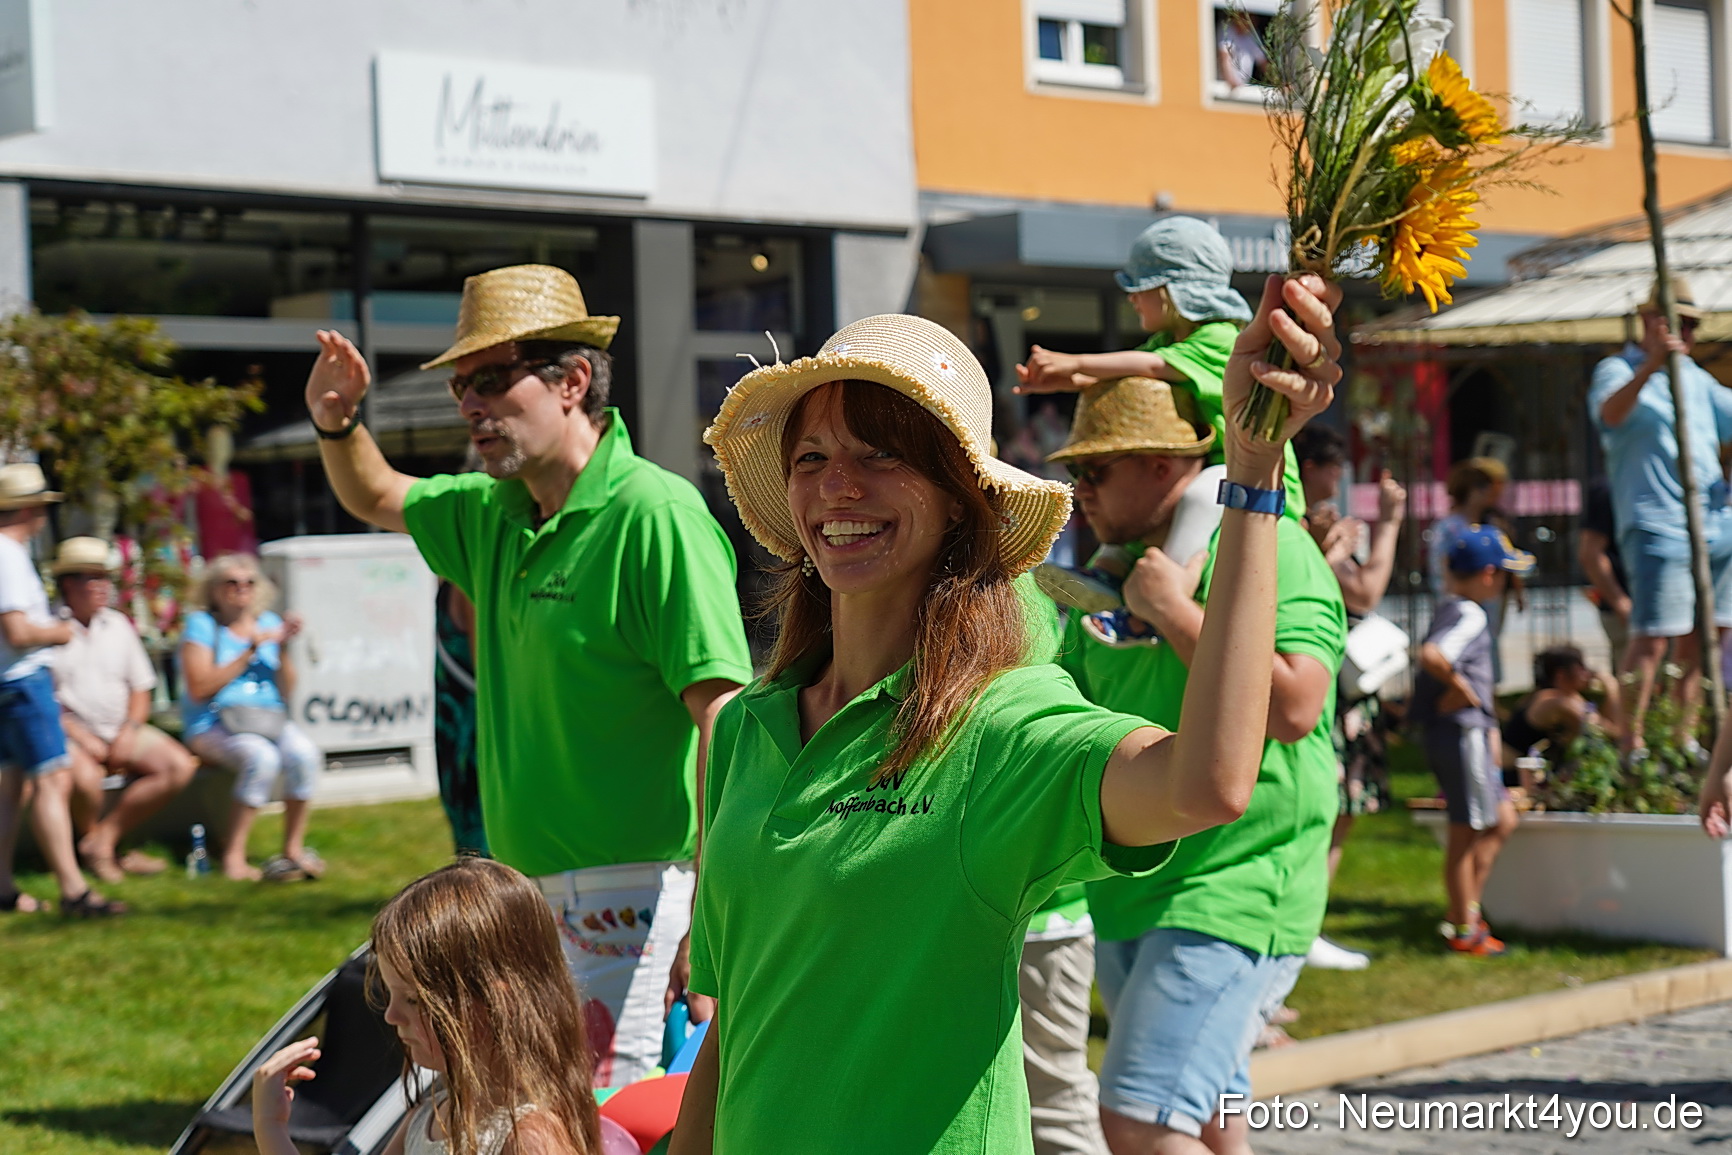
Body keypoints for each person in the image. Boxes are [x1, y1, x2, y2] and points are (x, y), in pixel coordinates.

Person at [671, 274, 1343, 1154]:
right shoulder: (745, 728)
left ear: (960, 496)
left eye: (881, 455)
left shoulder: (998, 724)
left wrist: (1253, 480)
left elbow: (1207, 782)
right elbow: (735, 1029)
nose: (838, 486)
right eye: (812, 458)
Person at [303, 264, 751, 1088]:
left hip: (640, 894)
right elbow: (375, 494)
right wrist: (338, 423)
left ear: (573, 380)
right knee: (525, 1114)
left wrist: (715, 910)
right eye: (460, 386)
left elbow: (725, 716)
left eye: (490, 379)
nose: (470, 403)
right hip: (517, 892)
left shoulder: (655, 515)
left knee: (602, 1122)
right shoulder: (492, 510)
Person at [1052, 364, 1345, 1148]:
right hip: (1132, 889)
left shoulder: (1267, 542)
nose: (1079, 489)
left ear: (1160, 465)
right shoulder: (1109, 570)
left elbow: (1293, 706)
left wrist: (1178, 611)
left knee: (1140, 1115)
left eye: (1093, 469)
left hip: (1235, 884)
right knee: (1209, 1121)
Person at [251, 857, 601, 1155]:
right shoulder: (432, 1116)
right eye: (391, 995)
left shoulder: (529, 1139)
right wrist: (272, 1128)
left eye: (415, 999)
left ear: (499, 1001)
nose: (391, 1016)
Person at [1015, 215, 1305, 522]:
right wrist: (1063, 380)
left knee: (1197, 498)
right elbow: (1128, 372)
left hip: (1261, 481)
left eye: (1142, 286)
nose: (1132, 298)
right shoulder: (1168, 340)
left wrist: (1075, 361)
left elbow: (1152, 366)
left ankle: (1178, 571)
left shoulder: (1220, 336)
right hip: (1219, 470)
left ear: (1171, 291)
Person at [1589, 277, 1732, 753]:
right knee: (1652, 639)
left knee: (1703, 640)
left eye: (1693, 325)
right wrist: (1652, 365)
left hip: (1715, 523)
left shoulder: (1696, 376)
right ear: (1651, 321)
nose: (1687, 335)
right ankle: (1631, 746)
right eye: (1680, 323)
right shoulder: (1615, 368)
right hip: (1657, 524)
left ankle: (1682, 741)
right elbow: (1610, 415)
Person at [1294, 427, 1407, 973]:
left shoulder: (1312, 521)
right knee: (1329, 808)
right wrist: (1388, 527)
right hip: (1325, 686)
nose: (1335, 482)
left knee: (1341, 811)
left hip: (1338, 681)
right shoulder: (1298, 521)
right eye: (1329, 469)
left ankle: (1306, 923)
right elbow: (1363, 591)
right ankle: (1302, 926)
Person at [0, 464, 125, 916]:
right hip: (23, 681)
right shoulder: (9, 556)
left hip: (5, 683)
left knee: (10, 786)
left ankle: (3, 886)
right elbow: (16, 630)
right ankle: (74, 890)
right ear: (31, 510)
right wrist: (57, 632)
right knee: (51, 780)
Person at [1412, 525, 1535, 957]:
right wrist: (1462, 689)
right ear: (1487, 574)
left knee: (1501, 818)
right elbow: (1432, 654)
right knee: (1467, 830)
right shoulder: (1470, 613)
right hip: (1462, 734)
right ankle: (1464, 926)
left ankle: (1466, 910)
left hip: (1471, 734)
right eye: (1502, 575)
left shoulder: (1454, 607)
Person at [51, 536, 197, 883]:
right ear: (70, 583)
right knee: (85, 779)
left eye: (107, 579)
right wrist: (82, 737)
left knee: (178, 766)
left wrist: (129, 730)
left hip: (120, 725)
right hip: (70, 731)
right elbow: (45, 697)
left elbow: (141, 687)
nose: (105, 587)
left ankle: (103, 841)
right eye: (95, 578)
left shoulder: (117, 624)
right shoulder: (49, 628)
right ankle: (100, 851)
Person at [178, 553, 321, 883]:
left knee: (304, 755)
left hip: (265, 719)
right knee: (262, 758)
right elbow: (199, 687)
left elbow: (287, 689)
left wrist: (282, 647)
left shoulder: (268, 623)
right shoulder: (202, 626)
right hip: (213, 724)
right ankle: (234, 857)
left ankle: (293, 850)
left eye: (249, 583)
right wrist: (249, 652)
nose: (241, 589)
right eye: (231, 583)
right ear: (213, 590)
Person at [1500, 645, 1623, 767]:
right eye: (1581, 667)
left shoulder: (1541, 695)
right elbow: (1612, 732)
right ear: (1561, 674)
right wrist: (1612, 688)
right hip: (1516, 775)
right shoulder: (1556, 702)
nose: (1588, 672)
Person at [433, 579, 487, 857]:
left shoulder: (463, 581)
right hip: (468, 733)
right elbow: (488, 676)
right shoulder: (465, 583)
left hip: (464, 732)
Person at [1578, 478, 1630, 670]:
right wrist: (1621, 603)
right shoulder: (1610, 490)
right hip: (1626, 605)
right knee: (1634, 681)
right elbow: (1590, 554)